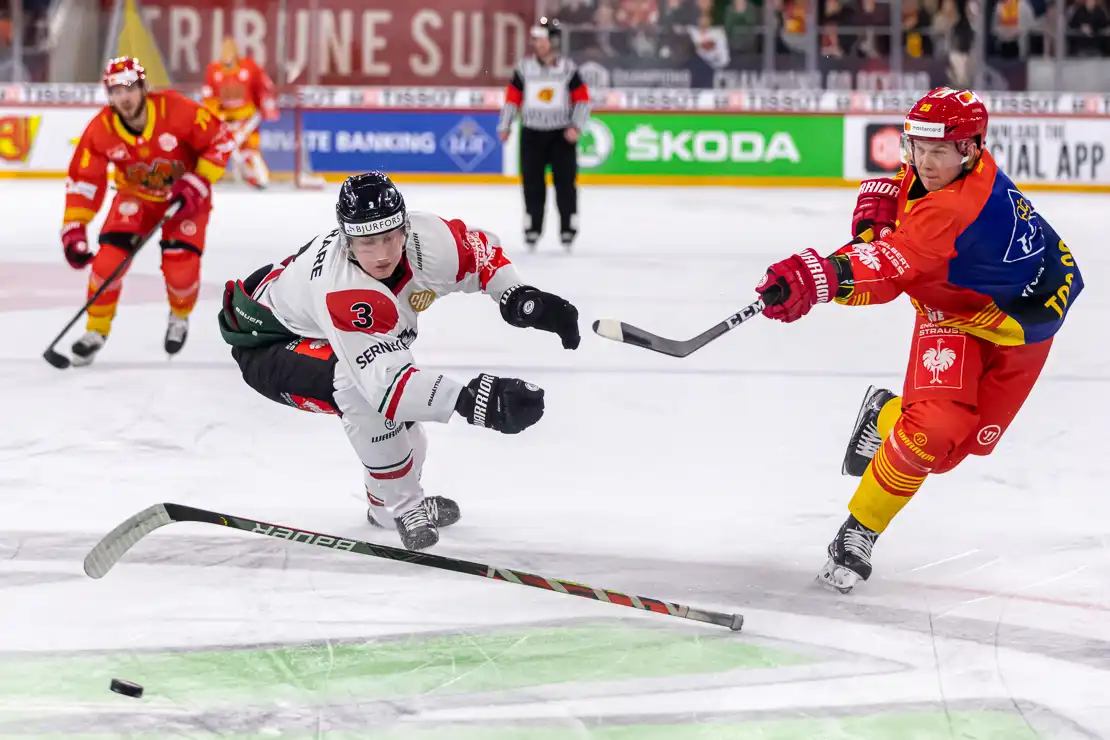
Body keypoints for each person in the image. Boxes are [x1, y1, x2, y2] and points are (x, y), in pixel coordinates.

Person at [753, 87, 1084, 593]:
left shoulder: (957, 207)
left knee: (958, 450)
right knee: (931, 433)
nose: (924, 163)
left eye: (938, 152)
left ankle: (884, 413)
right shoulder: (952, 168)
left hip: (1022, 329)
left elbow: (888, 271)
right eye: (917, 148)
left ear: (970, 149)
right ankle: (859, 530)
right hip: (952, 314)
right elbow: (895, 248)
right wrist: (870, 235)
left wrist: (821, 276)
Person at [218, 172, 581, 551]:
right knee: (359, 392)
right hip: (270, 344)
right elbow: (385, 386)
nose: (383, 254)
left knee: (404, 428)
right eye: (367, 242)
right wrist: (473, 400)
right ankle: (403, 507)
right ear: (346, 240)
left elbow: (480, 253)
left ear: (405, 227)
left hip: (308, 320)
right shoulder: (343, 290)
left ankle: (383, 506)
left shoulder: (427, 238)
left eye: (390, 237)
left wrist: (520, 297)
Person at [62, 56, 232, 365]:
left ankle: (179, 315)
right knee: (107, 262)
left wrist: (200, 179)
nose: (123, 98)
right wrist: (74, 226)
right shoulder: (101, 128)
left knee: (181, 267)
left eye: (129, 88)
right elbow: (84, 179)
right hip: (135, 198)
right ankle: (95, 330)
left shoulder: (176, 110)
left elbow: (220, 139)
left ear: (143, 87)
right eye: (115, 91)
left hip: (187, 198)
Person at [497, 17, 591, 251]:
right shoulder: (524, 68)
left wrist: (575, 126)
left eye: (542, 39)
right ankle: (533, 227)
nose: (538, 43)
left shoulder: (568, 69)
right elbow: (512, 99)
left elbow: (582, 100)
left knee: (565, 183)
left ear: (553, 41)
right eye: (536, 39)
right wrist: (505, 125)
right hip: (532, 134)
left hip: (561, 135)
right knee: (532, 183)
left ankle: (568, 226)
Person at [201, 37, 279, 188]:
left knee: (250, 147)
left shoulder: (249, 66)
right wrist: (218, 115)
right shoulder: (213, 70)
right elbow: (209, 96)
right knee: (226, 146)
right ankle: (245, 175)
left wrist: (265, 106)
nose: (227, 53)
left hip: (248, 118)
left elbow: (263, 86)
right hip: (226, 119)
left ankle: (261, 177)